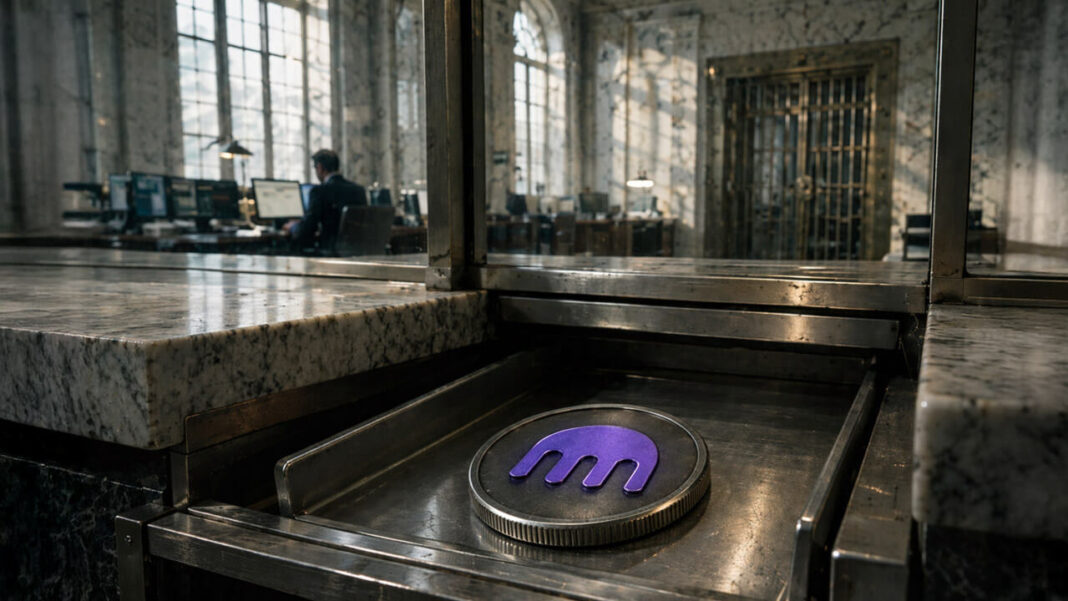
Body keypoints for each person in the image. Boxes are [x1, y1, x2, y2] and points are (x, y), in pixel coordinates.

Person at [288, 149, 368, 252]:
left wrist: (293, 227)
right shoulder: (359, 190)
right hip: (359, 252)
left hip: (332, 254)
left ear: (320, 167)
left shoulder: (320, 191)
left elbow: (308, 227)